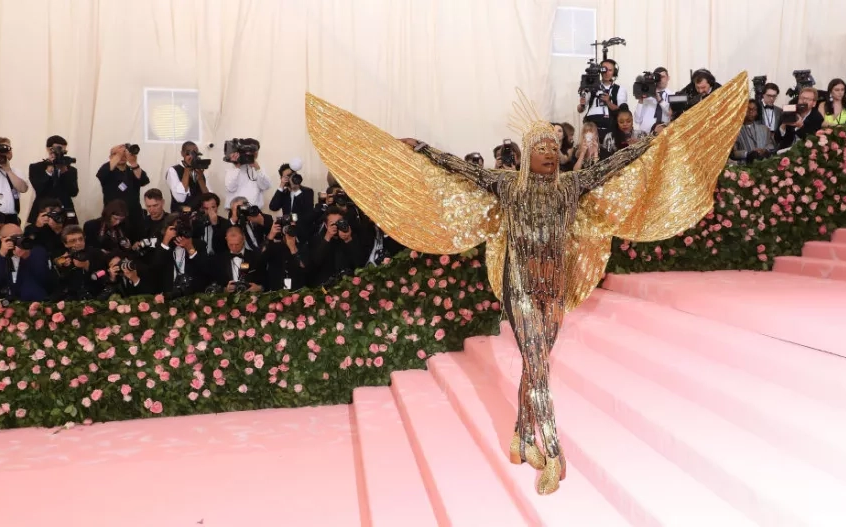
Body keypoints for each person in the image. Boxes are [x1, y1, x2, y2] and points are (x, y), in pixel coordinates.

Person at [305, 73, 748, 494]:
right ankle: (553, 453)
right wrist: (423, 148)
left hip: (556, 285)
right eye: (541, 148)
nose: (550, 154)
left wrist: (654, 142)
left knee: (536, 365)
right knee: (538, 365)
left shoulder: (572, 186)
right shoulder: (507, 186)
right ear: (527, 153)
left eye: (554, 147)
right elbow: (461, 169)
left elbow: (616, 164)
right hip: (519, 282)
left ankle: (521, 435)